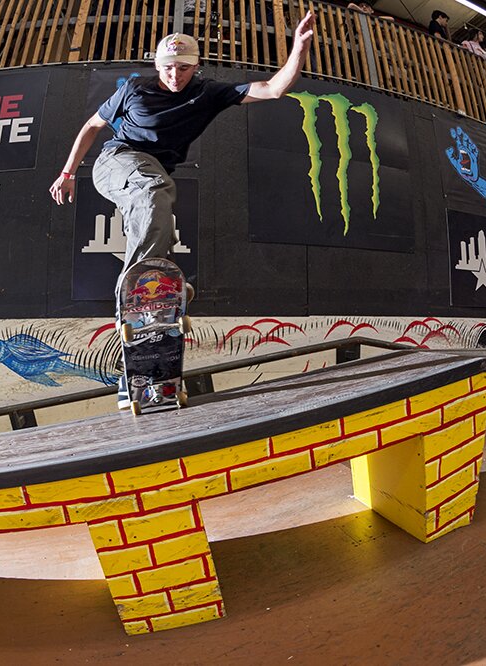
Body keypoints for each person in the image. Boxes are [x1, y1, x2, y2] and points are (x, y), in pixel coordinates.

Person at [50, 15, 316, 408]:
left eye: (184, 69)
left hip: (147, 176)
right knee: (155, 190)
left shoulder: (208, 93)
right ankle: (139, 289)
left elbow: (273, 89)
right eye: (168, 69)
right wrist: (68, 172)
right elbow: (92, 126)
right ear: (157, 66)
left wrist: (299, 50)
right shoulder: (134, 89)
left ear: (197, 67)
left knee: (154, 207)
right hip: (116, 162)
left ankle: (139, 375)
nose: (175, 76)